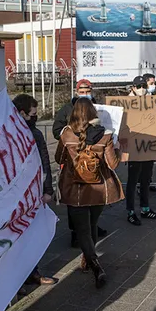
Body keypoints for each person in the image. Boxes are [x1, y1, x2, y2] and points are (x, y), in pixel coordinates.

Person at [55, 98, 124, 288]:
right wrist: (119, 148)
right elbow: (113, 164)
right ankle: (89, 259)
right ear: (94, 113)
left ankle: (93, 263)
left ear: (74, 113)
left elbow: (58, 158)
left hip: (74, 188)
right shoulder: (105, 135)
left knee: (82, 229)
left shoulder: (66, 134)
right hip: (99, 189)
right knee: (92, 224)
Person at [52, 78, 109, 245]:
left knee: (92, 194)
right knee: (74, 198)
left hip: (93, 161)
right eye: (82, 91)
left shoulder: (98, 108)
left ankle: (92, 226)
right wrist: (69, 135)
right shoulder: (66, 109)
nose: (85, 93)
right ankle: (76, 232)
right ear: (76, 91)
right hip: (73, 160)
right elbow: (57, 130)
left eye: (88, 90)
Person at [13, 94, 59, 286]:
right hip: (16, 196)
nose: (36, 116)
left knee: (32, 235)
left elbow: (44, 164)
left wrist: (47, 190)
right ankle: (19, 278)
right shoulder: (12, 134)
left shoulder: (36, 134)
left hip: (33, 195)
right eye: (33, 113)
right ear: (22, 113)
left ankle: (33, 272)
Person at [124, 76, 156, 226]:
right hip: (134, 148)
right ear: (133, 87)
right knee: (133, 181)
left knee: (146, 179)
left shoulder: (152, 99)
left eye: (143, 86)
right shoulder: (126, 103)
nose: (141, 89)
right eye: (138, 86)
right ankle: (130, 211)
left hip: (148, 146)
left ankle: (145, 208)